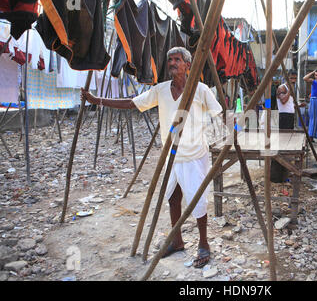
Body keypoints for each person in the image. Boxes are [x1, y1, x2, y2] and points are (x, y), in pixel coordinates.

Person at [81, 47, 223, 268]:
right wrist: (97, 100)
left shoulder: (200, 89)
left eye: (177, 60)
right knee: (172, 198)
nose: (172, 63)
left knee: (198, 201)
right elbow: (132, 103)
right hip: (172, 155)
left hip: (195, 154)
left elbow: (218, 113)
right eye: (170, 60)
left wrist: (231, 133)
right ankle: (177, 241)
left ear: (187, 65)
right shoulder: (161, 90)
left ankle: (204, 243)